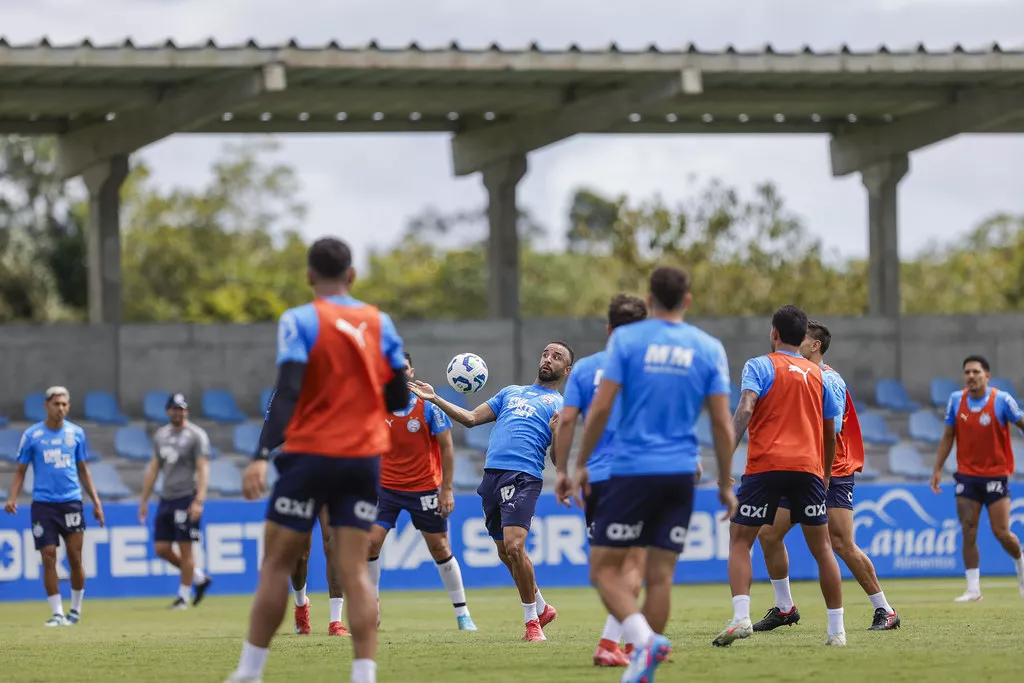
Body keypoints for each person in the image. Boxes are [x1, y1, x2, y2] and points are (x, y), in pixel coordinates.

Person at [224, 237, 409, 683]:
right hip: (363, 458)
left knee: (276, 564)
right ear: (352, 276)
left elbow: (287, 388)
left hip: (310, 455)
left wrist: (262, 455)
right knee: (354, 570)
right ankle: (364, 676)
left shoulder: (299, 319)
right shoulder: (379, 322)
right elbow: (399, 395)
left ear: (309, 277)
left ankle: (250, 672)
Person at [559, 266, 737, 683]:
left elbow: (600, 409)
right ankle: (644, 662)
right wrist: (726, 482)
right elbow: (721, 424)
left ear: (650, 299)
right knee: (659, 577)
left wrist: (580, 464)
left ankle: (641, 641)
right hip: (680, 474)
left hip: (632, 470)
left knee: (603, 570)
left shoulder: (626, 340)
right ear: (688, 300)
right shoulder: (708, 347)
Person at [408, 341, 571, 642]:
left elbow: (559, 460)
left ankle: (531, 622)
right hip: (492, 478)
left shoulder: (561, 406)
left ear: (566, 369)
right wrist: (434, 399)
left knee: (514, 546)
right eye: (546, 353)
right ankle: (541, 607)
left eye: (557, 357)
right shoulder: (510, 393)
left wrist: (559, 431)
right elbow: (470, 420)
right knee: (504, 552)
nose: (549, 359)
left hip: (524, 477)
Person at [713, 305, 847, 648]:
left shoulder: (759, 365)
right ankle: (837, 632)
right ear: (803, 337)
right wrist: (825, 474)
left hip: (765, 467)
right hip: (809, 470)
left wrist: (724, 461)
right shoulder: (821, 375)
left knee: (740, 540)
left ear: (774, 334)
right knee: (823, 549)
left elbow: (744, 408)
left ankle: (741, 616)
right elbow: (830, 433)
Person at [752, 320, 900, 632]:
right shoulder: (804, 376)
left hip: (833, 471)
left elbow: (833, 429)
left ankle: (885, 609)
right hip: (804, 470)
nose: (797, 342)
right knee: (768, 533)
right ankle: (784, 608)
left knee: (842, 543)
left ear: (815, 345)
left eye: (802, 338)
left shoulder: (828, 379)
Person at [552, 293, 648, 668]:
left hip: (598, 478)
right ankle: (626, 641)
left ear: (608, 328)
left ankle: (620, 643)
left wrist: (563, 471)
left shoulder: (587, 369)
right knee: (632, 565)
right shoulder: (649, 368)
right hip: (640, 475)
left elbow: (567, 421)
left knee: (611, 567)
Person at [368, 352, 476, 630]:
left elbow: (447, 448)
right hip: (386, 489)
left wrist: (447, 489)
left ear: (412, 373)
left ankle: (463, 614)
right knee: (370, 543)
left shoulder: (429, 407)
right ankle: (371, 606)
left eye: (404, 369)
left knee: (440, 547)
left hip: (425, 488)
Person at [4, 386, 105, 626]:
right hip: (43, 505)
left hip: (71, 502)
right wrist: (12, 497)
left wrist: (96, 502)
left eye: (64, 404)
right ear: (46, 406)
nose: (60, 408)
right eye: (56, 403)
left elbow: (83, 469)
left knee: (75, 558)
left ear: (68, 407)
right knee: (48, 557)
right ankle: (57, 613)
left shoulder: (76, 434)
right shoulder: (32, 436)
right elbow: (20, 471)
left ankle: (76, 610)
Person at [931, 354, 1024, 601]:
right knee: (968, 529)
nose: (971, 376)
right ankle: (973, 590)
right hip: (967, 476)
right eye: (967, 372)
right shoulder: (955, 401)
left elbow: (1021, 423)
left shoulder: (1002, 400)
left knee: (1001, 532)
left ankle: (1020, 562)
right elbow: (948, 436)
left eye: (976, 372)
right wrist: (938, 468)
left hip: (996, 475)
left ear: (987, 376)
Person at [138, 392, 214, 610]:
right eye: (174, 408)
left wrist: (199, 500)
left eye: (181, 409)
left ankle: (183, 597)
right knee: (161, 548)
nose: (177, 412)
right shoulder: (161, 435)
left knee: (186, 549)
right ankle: (198, 577)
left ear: (186, 411)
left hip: (186, 497)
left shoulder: (196, 435)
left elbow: (203, 468)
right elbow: (154, 468)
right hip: (166, 497)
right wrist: (144, 499)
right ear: (167, 411)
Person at [290, 507, 349, 636]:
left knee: (333, 545)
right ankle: (301, 604)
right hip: (304, 493)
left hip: (328, 490)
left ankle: (335, 622)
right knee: (300, 554)